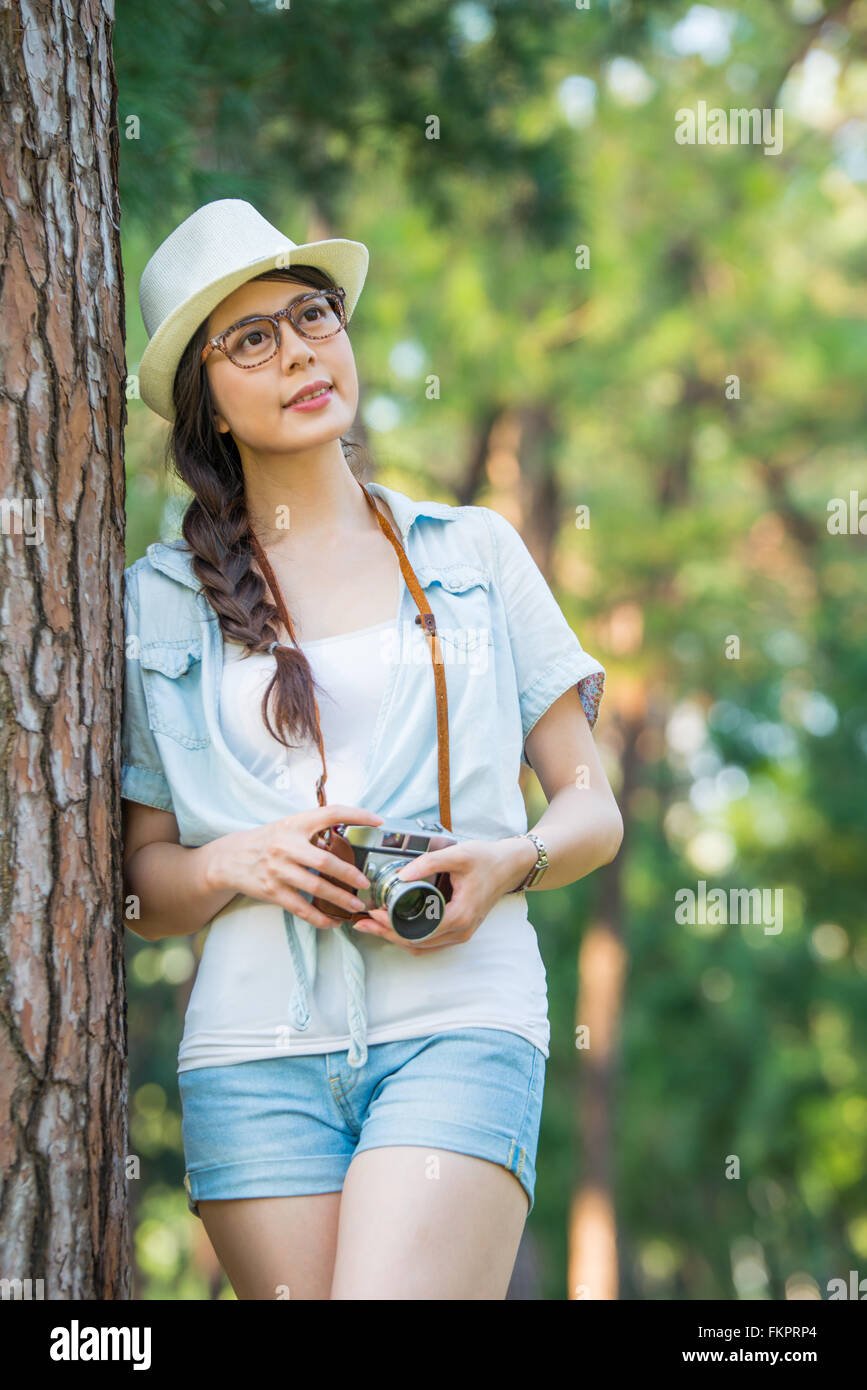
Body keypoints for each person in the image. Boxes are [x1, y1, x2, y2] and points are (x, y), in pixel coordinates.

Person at [122, 198, 623, 1300]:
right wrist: (231, 864)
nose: (300, 350)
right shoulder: (153, 602)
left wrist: (511, 859)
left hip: (461, 1018)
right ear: (203, 397)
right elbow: (139, 887)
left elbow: (593, 805)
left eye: (313, 315)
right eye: (251, 337)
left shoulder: (475, 553)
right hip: (253, 1054)